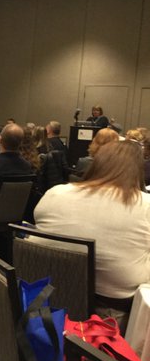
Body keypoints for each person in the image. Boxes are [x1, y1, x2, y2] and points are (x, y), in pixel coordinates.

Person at [34, 141, 150, 332]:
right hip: (111, 314)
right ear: (138, 170)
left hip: (44, 301)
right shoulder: (144, 205)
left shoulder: (56, 193)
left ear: (96, 163)